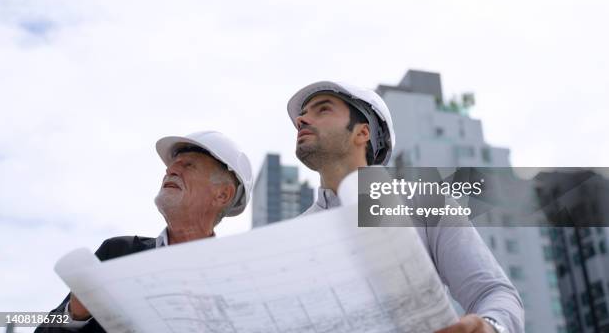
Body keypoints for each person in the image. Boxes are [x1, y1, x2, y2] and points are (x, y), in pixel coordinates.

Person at [287, 81, 524, 333]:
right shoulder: (290, 237)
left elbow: (491, 291)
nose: (302, 120)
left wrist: (490, 327)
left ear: (362, 133)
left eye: (322, 109)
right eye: (302, 114)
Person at [35, 131, 253, 333]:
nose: (171, 171)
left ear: (222, 195)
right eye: (171, 167)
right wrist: (76, 314)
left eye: (188, 165)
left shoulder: (238, 282)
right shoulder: (117, 253)